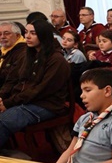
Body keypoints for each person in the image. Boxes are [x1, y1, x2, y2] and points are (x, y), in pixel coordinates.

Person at [0, 19, 70, 149]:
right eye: (26, 32)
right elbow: (20, 82)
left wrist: (9, 103)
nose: (27, 36)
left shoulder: (56, 59)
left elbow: (40, 90)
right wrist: (5, 101)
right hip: (28, 101)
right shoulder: (30, 54)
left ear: (43, 35)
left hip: (47, 104)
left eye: (33, 33)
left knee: (4, 120)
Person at [0, 21, 26, 90]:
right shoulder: (2, 50)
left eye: (6, 33)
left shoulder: (23, 52)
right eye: (0, 34)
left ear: (17, 36)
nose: (2, 37)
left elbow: (12, 80)